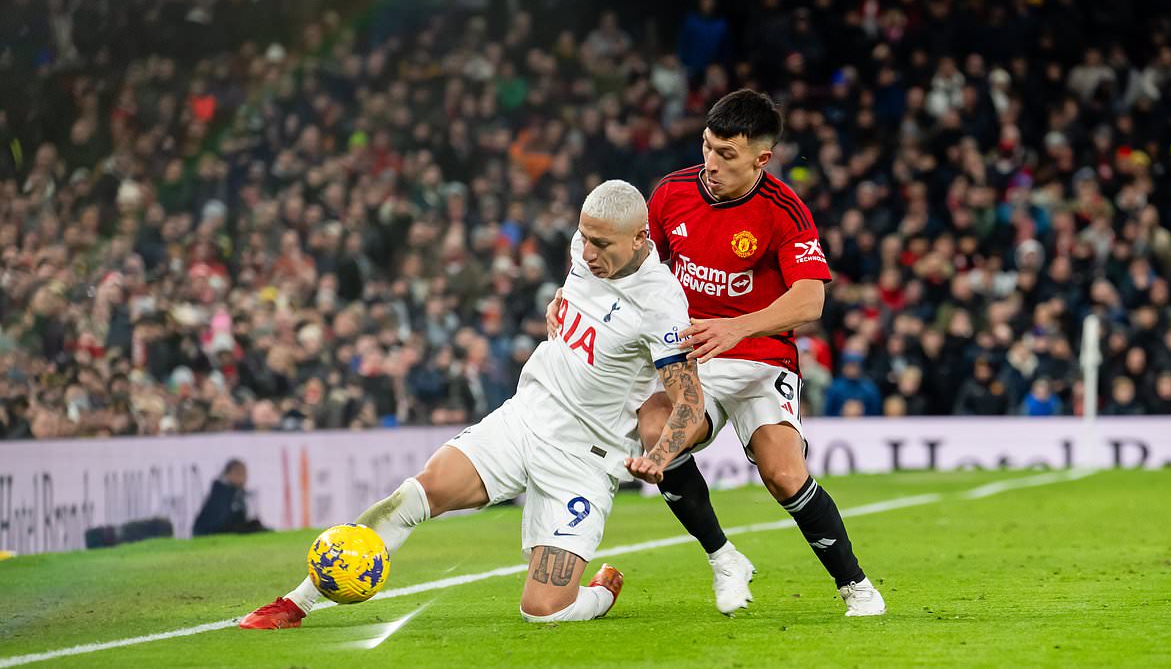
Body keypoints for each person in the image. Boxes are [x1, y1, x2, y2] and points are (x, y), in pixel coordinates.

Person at [240, 180, 706, 629]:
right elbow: (582, 291)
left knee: (544, 610)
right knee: (415, 495)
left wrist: (658, 457)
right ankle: (295, 602)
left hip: (584, 459)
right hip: (526, 417)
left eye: (601, 244)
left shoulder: (661, 304)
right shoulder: (584, 252)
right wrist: (560, 299)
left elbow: (689, 399)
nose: (587, 253)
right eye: (584, 238)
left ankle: (602, 590)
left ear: (640, 238)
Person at [549, 90, 884, 617]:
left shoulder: (784, 210)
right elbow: (630, 262)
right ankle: (724, 557)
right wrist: (571, 295)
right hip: (690, 354)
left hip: (761, 356)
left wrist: (737, 328)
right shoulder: (671, 193)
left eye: (727, 154)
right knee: (658, 429)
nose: (712, 162)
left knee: (783, 475)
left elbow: (811, 298)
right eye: (707, 146)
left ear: (761, 158)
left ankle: (856, 586)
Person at [193, 459, 268, 536]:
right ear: (227, 474)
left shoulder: (236, 494)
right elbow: (221, 526)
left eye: (244, 474)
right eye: (238, 473)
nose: (243, 478)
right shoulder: (221, 494)